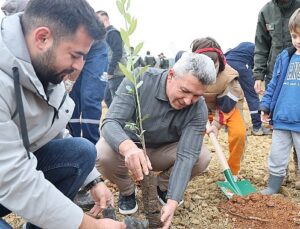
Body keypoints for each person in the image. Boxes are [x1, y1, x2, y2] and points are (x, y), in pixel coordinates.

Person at [0, 0, 125, 228]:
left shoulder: (46, 68)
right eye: (75, 55)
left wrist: (93, 181)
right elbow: (11, 177)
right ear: (42, 38)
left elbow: (53, 130)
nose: (79, 66)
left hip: (7, 177)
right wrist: (89, 224)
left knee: (81, 152)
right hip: (6, 178)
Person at [96, 53, 216, 228]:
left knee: (201, 156)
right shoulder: (140, 80)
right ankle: (127, 190)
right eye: (185, 91)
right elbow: (110, 123)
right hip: (131, 147)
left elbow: (187, 155)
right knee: (102, 153)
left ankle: (163, 187)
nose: (189, 100)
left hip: (164, 152)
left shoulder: (198, 108)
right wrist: (128, 147)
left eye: (197, 95)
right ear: (171, 75)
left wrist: (173, 201)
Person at [253, 0, 300, 187]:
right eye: (295, 35)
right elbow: (261, 45)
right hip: (278, 72)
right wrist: (258, 73)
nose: (298, 39)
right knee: (279, 144)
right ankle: (280, 177)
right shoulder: (266, 11)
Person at [190, 37, 246, 178]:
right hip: (203, 106)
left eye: (213, 66)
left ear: (220, 61)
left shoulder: (229, 77)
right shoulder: (189, 74)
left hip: (229, 106)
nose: (209, 70)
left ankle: (232, 172)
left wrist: (215, 124)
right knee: (192, 135)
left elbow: (226, 106)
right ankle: (196, 164)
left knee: (239, 134)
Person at [253, 0, 300, 93]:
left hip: (296, 73)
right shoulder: (265, 11)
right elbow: (261, 46)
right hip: (274, 74)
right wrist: (258, 75)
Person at [225, 42, 271, 136]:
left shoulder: (244, 46)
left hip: (226, 64)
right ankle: (257, 127)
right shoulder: (261, 51)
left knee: (230, 95)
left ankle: (229, 125)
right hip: (241, 65)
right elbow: (259, 68)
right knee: (252, 97)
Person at [68, 41, 108, 144]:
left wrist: (69, 82)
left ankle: (91, 144)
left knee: (90, 96)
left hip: (96, 46)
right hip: (72, 45)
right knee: (72, 99)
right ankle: (72, 142)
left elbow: (78, 65)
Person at [96, 10, 127, 107]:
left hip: (117, 74)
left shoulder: (113, 33)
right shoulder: (106, 34)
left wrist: (110, 71)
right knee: (107, 98)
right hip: (111, 75)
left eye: (97, 19)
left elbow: (118, 53)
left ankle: (119, 121)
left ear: (105, 19)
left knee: (118, 102)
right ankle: (113, 120)